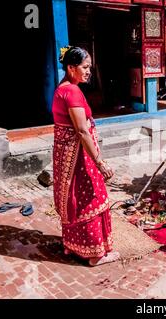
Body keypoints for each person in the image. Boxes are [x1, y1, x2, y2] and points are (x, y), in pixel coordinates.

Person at [52, 46, 119, 266]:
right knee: (92, 197)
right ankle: (95, 254)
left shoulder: (61, 88)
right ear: (71, 68)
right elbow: (81, 130)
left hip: (67, 156)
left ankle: (74, 246)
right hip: (79, 158)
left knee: (76, 200)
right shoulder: (72, 91)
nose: (89, 71)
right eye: (85, 67)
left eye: (89, 67)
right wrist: (100, 163)